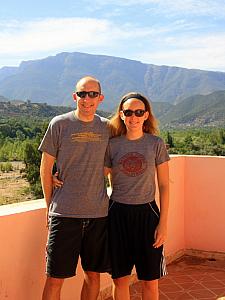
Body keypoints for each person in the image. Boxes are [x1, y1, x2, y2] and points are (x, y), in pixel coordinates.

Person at [38, 76, 111, 300]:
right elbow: (45, 168)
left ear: (100, 98)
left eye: (92, 94)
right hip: (64, 213)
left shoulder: (108, 127)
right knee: (55, 279)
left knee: (93, 276)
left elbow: (110, 164)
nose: (86, 99)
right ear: (74, 96)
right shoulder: (59, 124)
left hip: (98, 215)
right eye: (82, 94)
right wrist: (50, 207)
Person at [104, 92, 170, 300]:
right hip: (117, 216)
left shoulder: (155, 144)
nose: (134, 117)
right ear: (122, 115)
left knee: (150, 281)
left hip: (148, 215)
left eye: (139, 112)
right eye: (129, 112)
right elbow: (96, 175)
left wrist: (163, 223)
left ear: (146, 115)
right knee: (120, 279)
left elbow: (164, 185)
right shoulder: (113, 145)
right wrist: (58, 174)